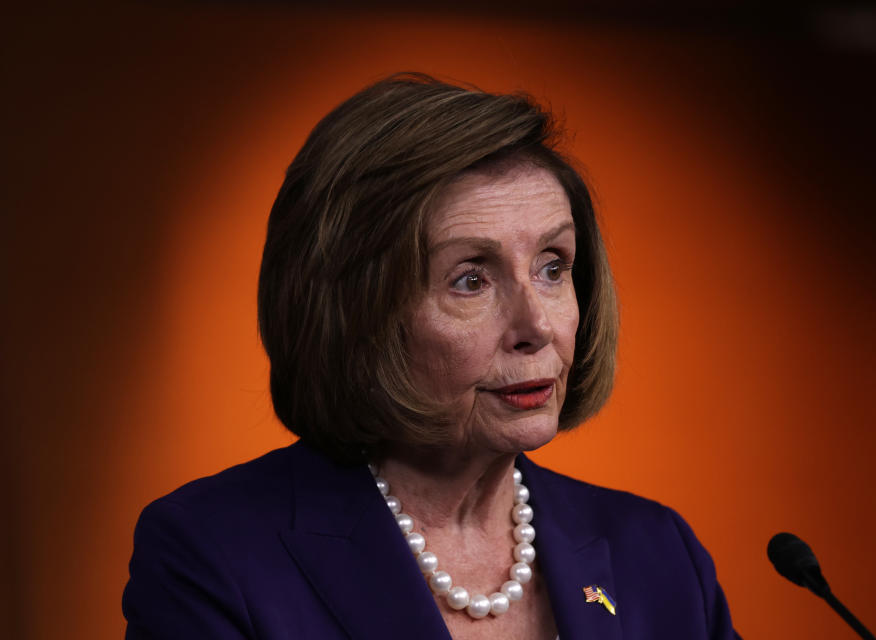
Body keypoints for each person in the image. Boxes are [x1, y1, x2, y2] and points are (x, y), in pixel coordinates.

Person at [122, 73, 740, 639]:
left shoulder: (658, 554)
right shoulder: (213, 554)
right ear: (355, 312)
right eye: (471, 279)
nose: (537, 326)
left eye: (553, 267)